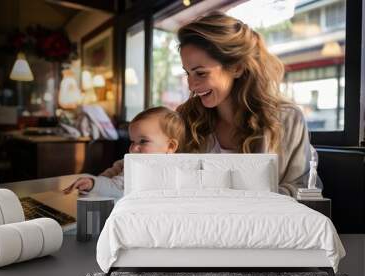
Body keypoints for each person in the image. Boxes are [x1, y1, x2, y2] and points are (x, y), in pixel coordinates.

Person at [176, 11, 320, 197]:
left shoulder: (287, 119)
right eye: (188, 73)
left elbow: (302, 189)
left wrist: (232, 200)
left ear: (236, 67)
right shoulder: (186, 116)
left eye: (201, 73)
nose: (191, 85)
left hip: (267, 224)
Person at [62, 106, 185, 199]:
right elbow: (110, 174)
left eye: (143, 141)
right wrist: (93, 182)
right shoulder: (131, 161)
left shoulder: (159, 169)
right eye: (132, 141)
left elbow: (119, 188)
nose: (133, 148)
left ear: (170, 146)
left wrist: (94, 184)